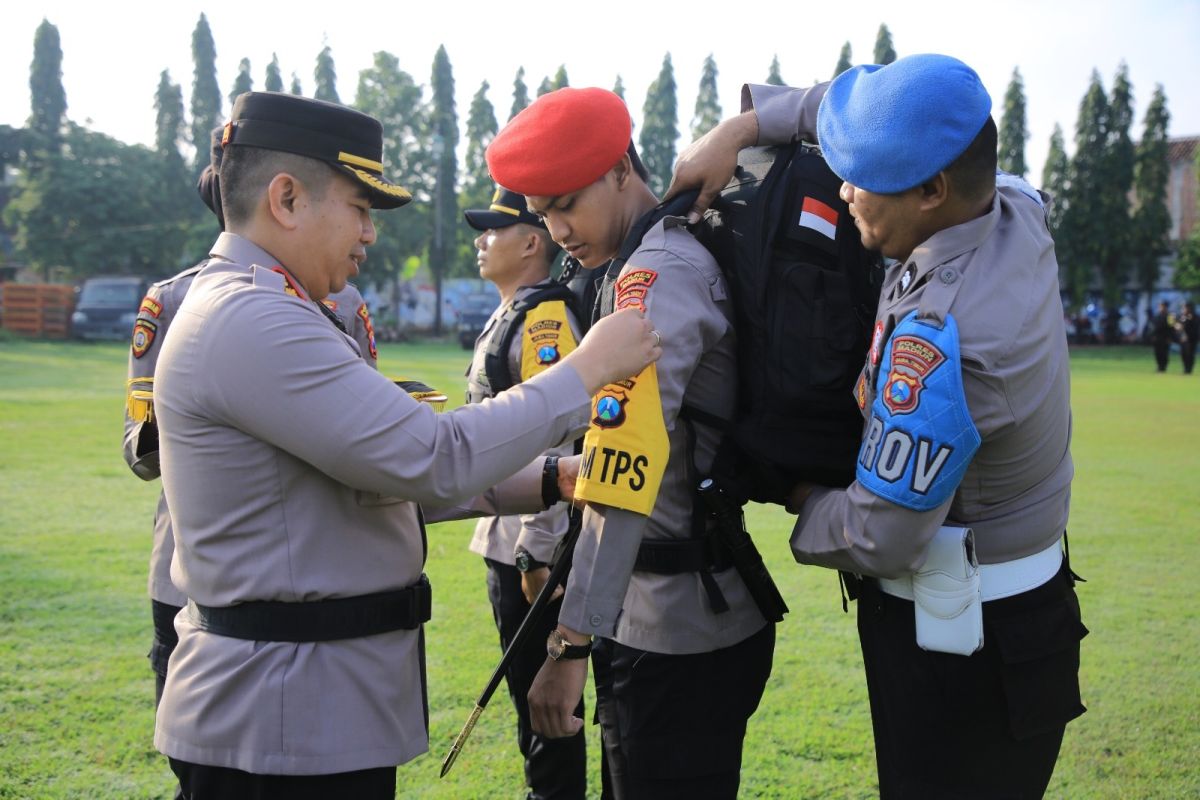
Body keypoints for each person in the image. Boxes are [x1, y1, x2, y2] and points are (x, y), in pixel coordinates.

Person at [151, 91, 661, 799]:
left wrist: (553, 477)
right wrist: (589, 368)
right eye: (359, 208)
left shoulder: (266, 305)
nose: (369, 234)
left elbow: (380, 481)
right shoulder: (253, 317)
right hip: (281, 727)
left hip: (301, 710)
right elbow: (434, 456)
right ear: (288, 198)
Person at [669, 54, 1087, 798]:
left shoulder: (950, 342)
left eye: (864, 176)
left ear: (931, 189)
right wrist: (743, 126)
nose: (845, 187)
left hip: (966, 647)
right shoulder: (1007, 202)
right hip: (992, 610)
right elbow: (855, 105)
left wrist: (793, 489)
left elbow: (880, 535)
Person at [487, 87, 774, 800]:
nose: (556, 229)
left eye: (567, 204)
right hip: (652, 613)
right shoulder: (627, 266)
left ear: (621, 170)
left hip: (677, 629)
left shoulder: (656, 275)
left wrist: (570, 642)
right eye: (544, 211)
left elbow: (625, 462)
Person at [461, 185, 587, 799]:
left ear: (532, 241)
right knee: (528, 708)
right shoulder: (513, 308)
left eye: (495, 229)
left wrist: (537, 554)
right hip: (504, 532)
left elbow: (562, 436)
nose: (481, 241)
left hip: (532, 546)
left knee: (549, 715)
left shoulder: (543, 319)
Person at [1151, 300, 1175, 372]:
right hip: (1158, 337)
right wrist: (1153, 336)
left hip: (1165, 337)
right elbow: (1154, 327)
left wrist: (1170, 338)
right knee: (1157, 353)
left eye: (1162, 306)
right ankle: (1159, 366)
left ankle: (1163, 367)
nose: (1161, 308)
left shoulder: (1170, 316)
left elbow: (1172, 328)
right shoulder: (1157, 315)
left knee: (1164, 353)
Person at [1175, 301, 1196, 374]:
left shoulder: (1194, 317)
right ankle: (1185, 368)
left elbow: (1193, 328)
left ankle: (1189, 369)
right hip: (1182, 339)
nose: (1184, 309)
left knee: (1189, 354)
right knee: (1183, 354)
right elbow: (1177, 325)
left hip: (1190, 339)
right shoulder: (1182, 317)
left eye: (1185, 308)